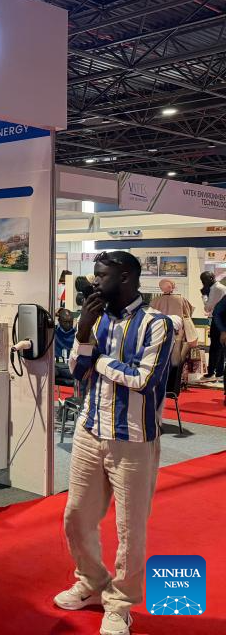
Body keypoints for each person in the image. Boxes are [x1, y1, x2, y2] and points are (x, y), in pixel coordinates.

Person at [56, 251, 174, 635]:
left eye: (101, 274)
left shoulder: (157, 324)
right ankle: (92, 581)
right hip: (90, 431)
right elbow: (75, 371)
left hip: (133, 441)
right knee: (76, 516)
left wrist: (99, 359)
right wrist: (83, 334)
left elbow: (145, 380)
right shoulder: (96, 318)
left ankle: (121, 604)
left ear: (125, 277)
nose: (94, 281)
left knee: (130, 529)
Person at [200, 271, 226, 380]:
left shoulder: (216, 289)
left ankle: (211, 372)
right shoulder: (221, 287)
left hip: (217, 320)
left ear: (211, 278)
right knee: (220, 347)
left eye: (204, 280)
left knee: (215, 347)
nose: (203, 283)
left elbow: (208, 308)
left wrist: (204, 296)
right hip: (221, 319)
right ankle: (219, 372)